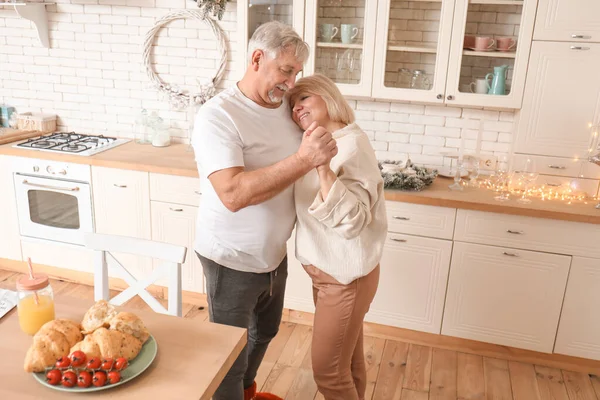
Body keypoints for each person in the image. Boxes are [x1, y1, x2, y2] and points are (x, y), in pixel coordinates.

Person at [191, 23, 338, 400]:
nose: (291, 83)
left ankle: (246, 393)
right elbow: (233, 194)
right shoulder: (218, 115)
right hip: (230, 257)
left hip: (274, 255)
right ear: (257, 58)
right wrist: (305, 159)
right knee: (229, 356)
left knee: (265, 333)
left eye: (296, 74)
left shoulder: (284, 107)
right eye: (286, 70)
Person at [287, 74, 388, 400]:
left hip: (345, 280)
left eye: (304, 98)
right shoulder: (325, 142)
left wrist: (323, 168)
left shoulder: (350, 144)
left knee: (328, 373)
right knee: (348, 365)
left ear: (328, 97)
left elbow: (353, 221)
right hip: (330, 274)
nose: (296, 108)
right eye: (292, 105)